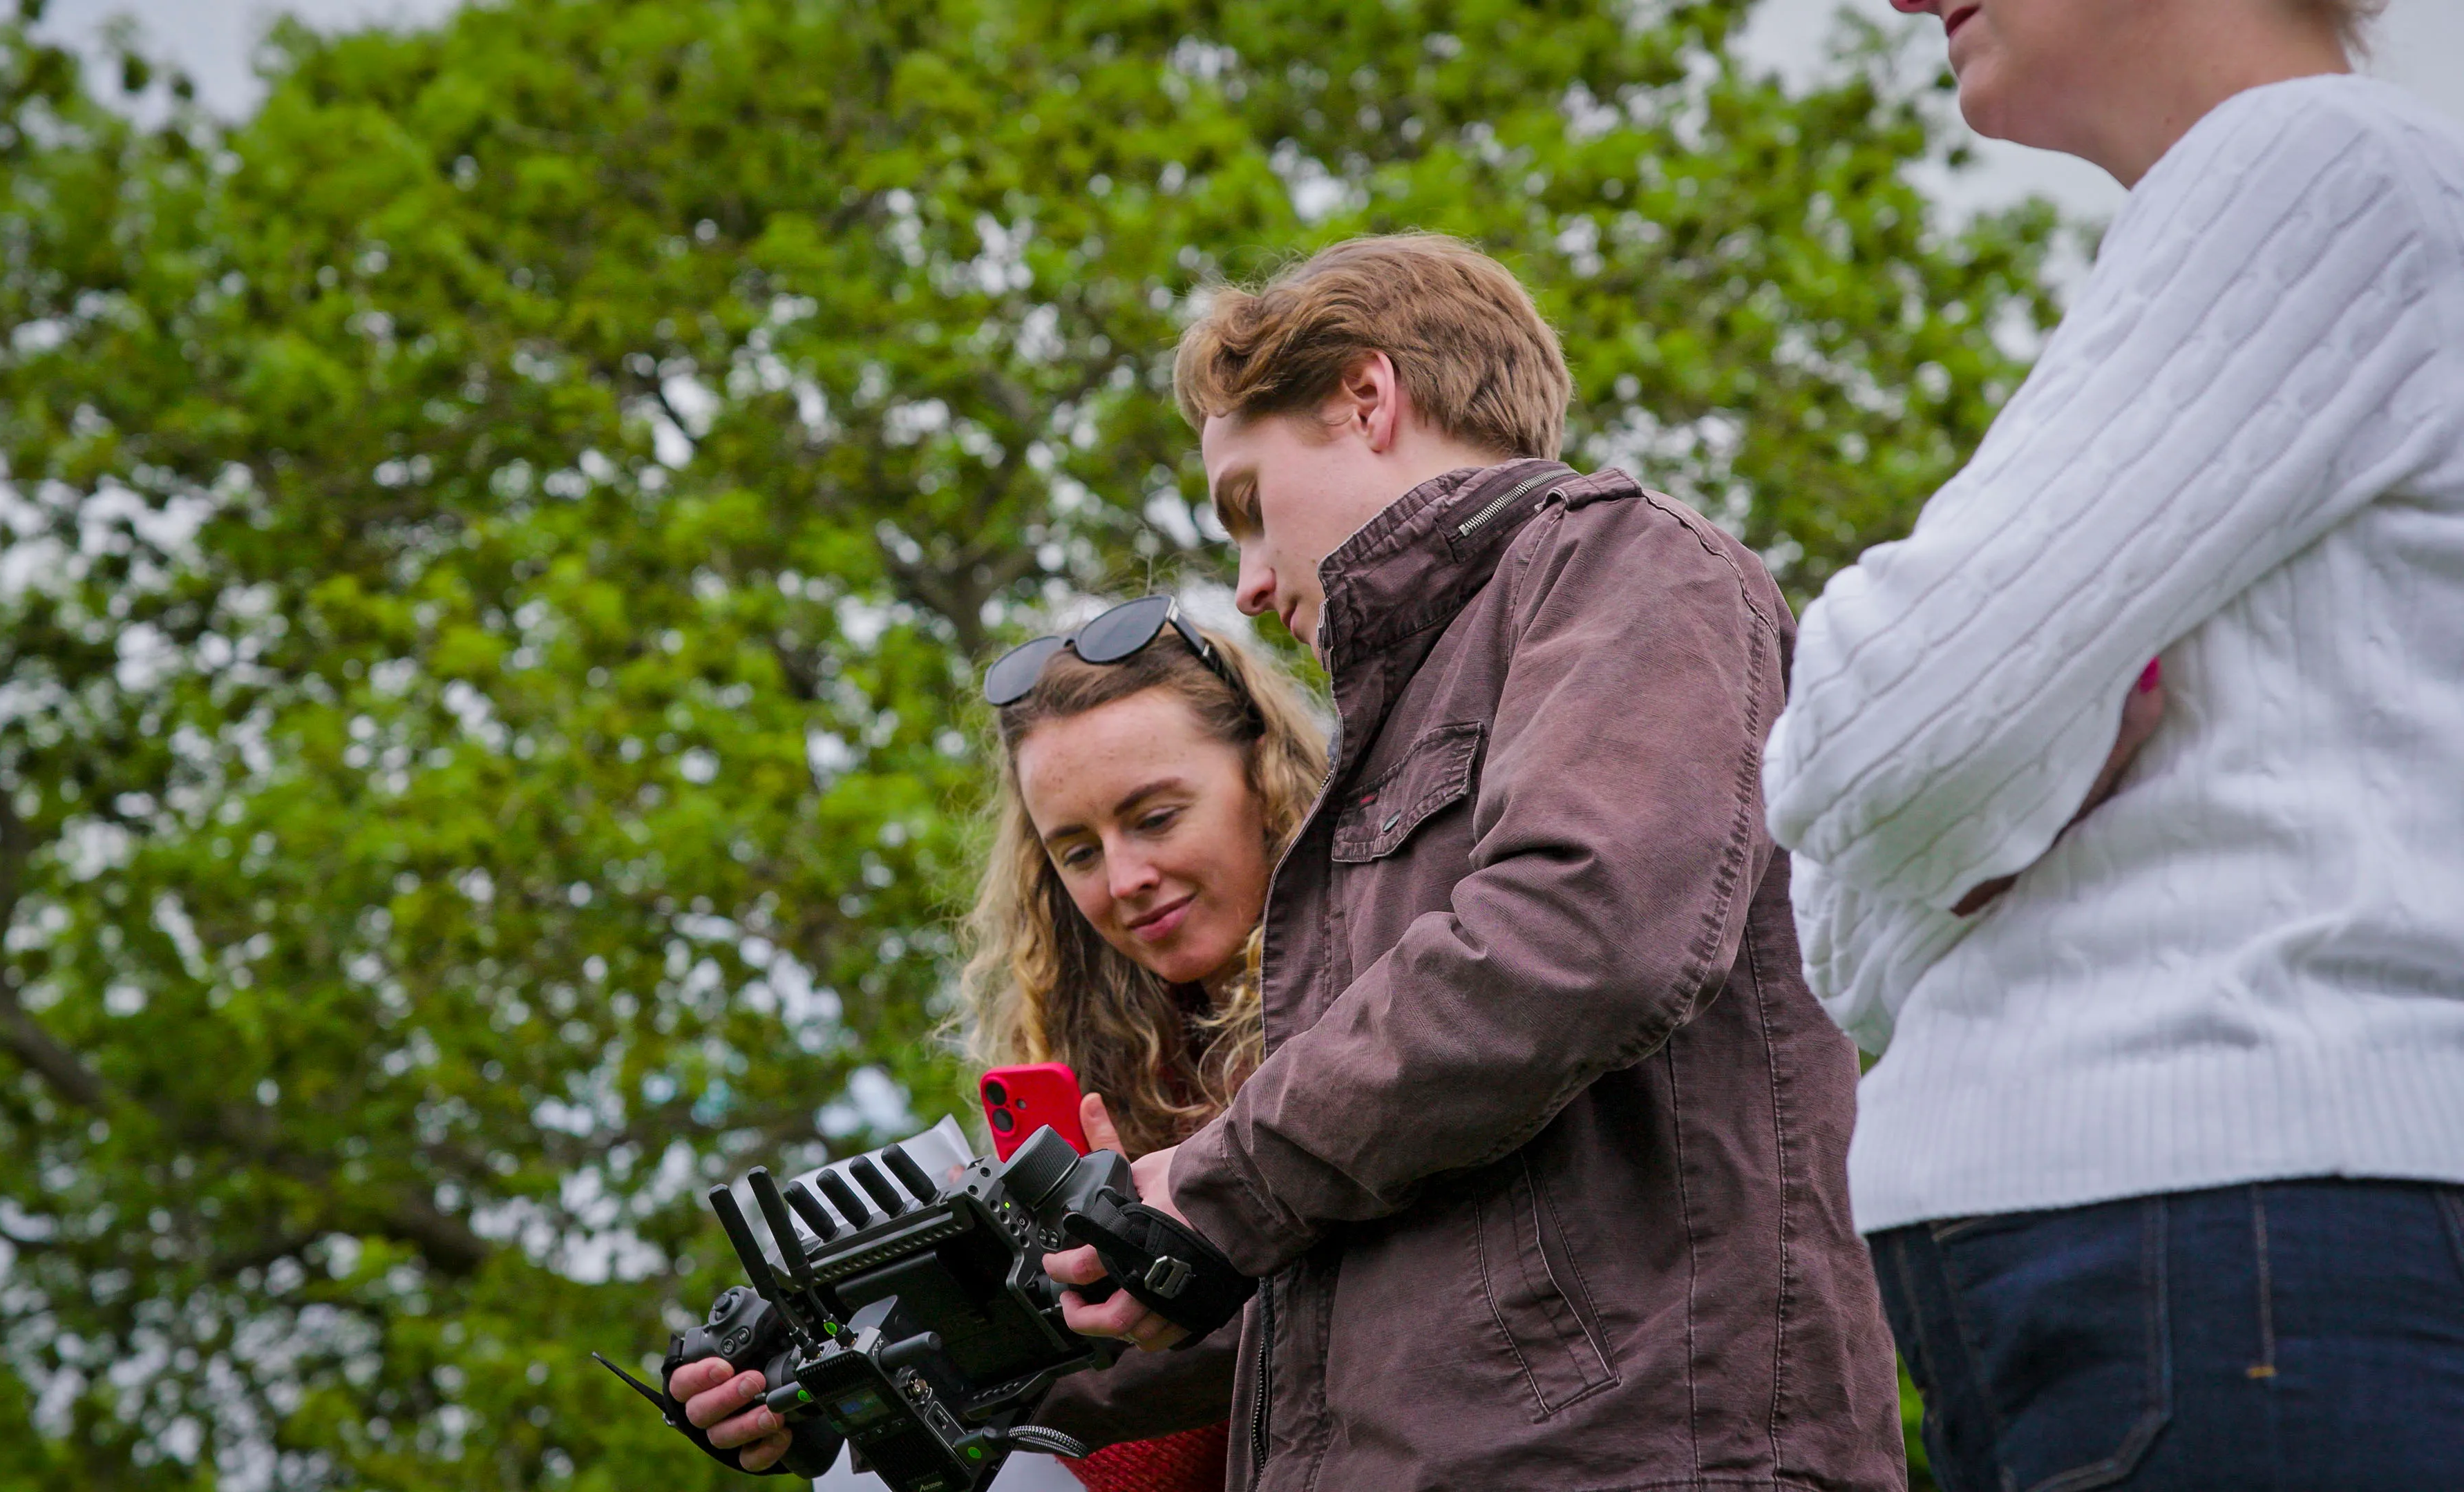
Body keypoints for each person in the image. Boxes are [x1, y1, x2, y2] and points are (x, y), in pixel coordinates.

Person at [1044, 234, 1906, 1491]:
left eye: (1248, 504)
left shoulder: (1624, 561)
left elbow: (1583, 930)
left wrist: (1217, 1178)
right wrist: (884, 1386)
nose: (1251, 584)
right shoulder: (1389, 734)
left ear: (1366, 397)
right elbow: (1341, 1283)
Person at [1760, 0, 2464, 1484]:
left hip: (2229, 1230)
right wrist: (1985, 781)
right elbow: (1835, 901)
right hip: (2198, 1239)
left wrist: (1950, 797)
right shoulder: (2320, 202)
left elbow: (1877, 733)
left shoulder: (2313, 168)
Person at [668, 595, 1331, 1491]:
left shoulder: (1368, 1010)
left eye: (1157, 816)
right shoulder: (1095, 1063)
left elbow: (1342, 1321)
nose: (1127, 880)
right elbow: (1069, 1388)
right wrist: (814, 1396)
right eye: (1078, 852)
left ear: (1264, 773)